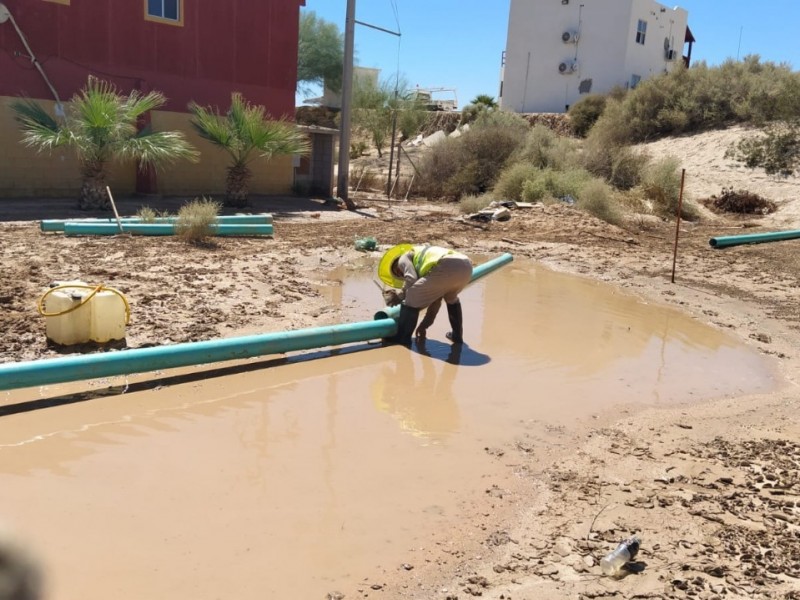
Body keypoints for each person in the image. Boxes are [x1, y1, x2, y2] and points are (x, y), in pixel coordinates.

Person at [378, 243, 473, 347]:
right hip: (467, 266)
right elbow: (435, 303)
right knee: (451, 298)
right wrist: (424, 325)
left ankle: (402, 338)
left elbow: (411, 278)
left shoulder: (402, 259)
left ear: (396, 264)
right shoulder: (428, 270)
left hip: (447, 265)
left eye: (399, 271)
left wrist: (400, 296)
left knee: (412, 294)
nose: (401, 274)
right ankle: (457, 336)